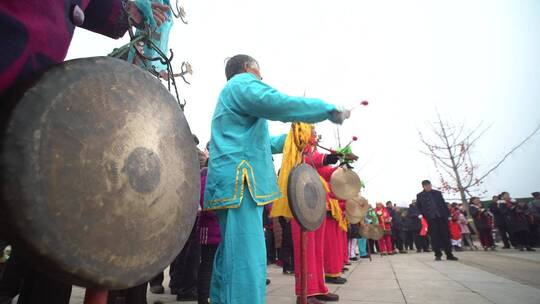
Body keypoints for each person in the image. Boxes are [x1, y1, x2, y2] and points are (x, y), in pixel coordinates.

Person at [0, 2, 170, 303]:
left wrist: (132, 10)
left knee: (59, 242)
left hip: (29, 88)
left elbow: (108, 15)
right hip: (12, 56)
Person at [203, 55, 348, 304]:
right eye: (259, 72)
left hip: (233, 185)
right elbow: (278, 103)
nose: (261, 78)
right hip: (241, 184)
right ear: (248, 68)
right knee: (247, 260)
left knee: (231, 255)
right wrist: (324, 110)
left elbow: (263, 143)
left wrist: (292, 140)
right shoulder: (242, 84)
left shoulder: (232, 98)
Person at [416, 180, 458, 261]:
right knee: (434, 237)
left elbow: (443, 204)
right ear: (423, 186)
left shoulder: (437, 193)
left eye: (429, 185)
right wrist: (420, 215)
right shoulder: (420, 195)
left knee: (445, 236)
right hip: (430, 219)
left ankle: (449, 254)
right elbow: (418, 207)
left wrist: (448, 215)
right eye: (426, 186)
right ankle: (438, 254)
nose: (428, 187)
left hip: (441, 217)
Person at [197, 160, 221, 304]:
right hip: (210, 229)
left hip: (217, 229)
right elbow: (207, 204)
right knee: (207, 264)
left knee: (212, 264)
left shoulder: (211, 179)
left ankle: (210, 295)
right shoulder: (207, 180)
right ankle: (203, 297)